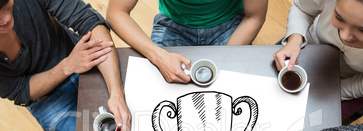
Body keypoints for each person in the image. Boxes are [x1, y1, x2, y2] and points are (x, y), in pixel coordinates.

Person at [0, 0, 131, 131]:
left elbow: (88, 21)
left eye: (6, 4)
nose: (5, 18)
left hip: (79, 53)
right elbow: (21, 90)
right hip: (46, 97)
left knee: (134, 105)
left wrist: (116, 93)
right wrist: (67, 66)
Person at [273, 0, 363, 122]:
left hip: (351, 82)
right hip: (306, 48)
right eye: (339, 17)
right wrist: (295, 39)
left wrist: (334, 91)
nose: (344, 36)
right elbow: (302, 8)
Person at [106, 0, 268, 83]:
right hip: (173, 25)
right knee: (158, 90)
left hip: (228, 24)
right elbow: (116, 13)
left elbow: (254, 17)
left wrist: (226, 60)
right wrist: (159, 57)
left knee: (235, 86)